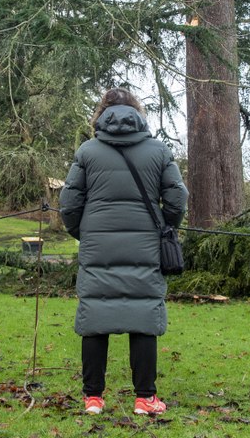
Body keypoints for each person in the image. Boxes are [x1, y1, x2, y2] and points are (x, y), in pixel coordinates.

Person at [59, 88, 188, 416]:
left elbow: (69, 204)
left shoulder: (87, 151)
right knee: (143, 315)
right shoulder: (159, 151)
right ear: (137, 113)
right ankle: (145, 398)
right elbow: (177, 199)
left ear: (101, 114)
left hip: (97, 244)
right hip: (145, 244)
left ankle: (93, 398)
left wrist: (83, 233)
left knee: (95, 314)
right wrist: (165, 227)